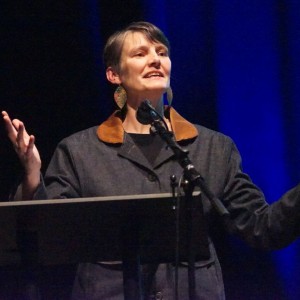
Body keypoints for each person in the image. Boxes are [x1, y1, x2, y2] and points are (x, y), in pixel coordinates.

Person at [2, 21, 300, 300]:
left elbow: (263, 227)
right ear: (114, 75)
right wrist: (31, 173)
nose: (156, 60)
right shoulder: (80, 150)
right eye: (140, 53)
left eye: (162, 53)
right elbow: (51, 237)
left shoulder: (213, 147)